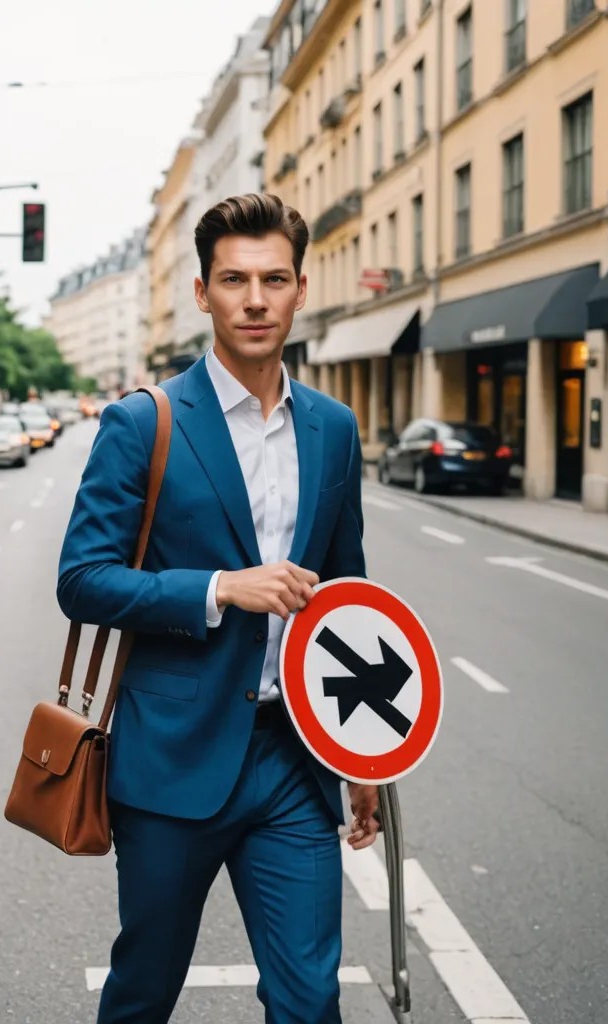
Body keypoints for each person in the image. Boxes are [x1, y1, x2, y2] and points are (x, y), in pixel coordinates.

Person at [57, 193, 380, 1024]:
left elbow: (346, 596)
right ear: (203, 293)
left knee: (310, 1000)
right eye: (234, 280)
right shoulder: (143, 422)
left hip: (294, 762)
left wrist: (360, 751)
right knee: (144, 990)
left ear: (301, 289)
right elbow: (82, 579)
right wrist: (217, 588)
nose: (255, 299)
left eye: (274, 279)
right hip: (173, 762)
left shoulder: (335, 429)